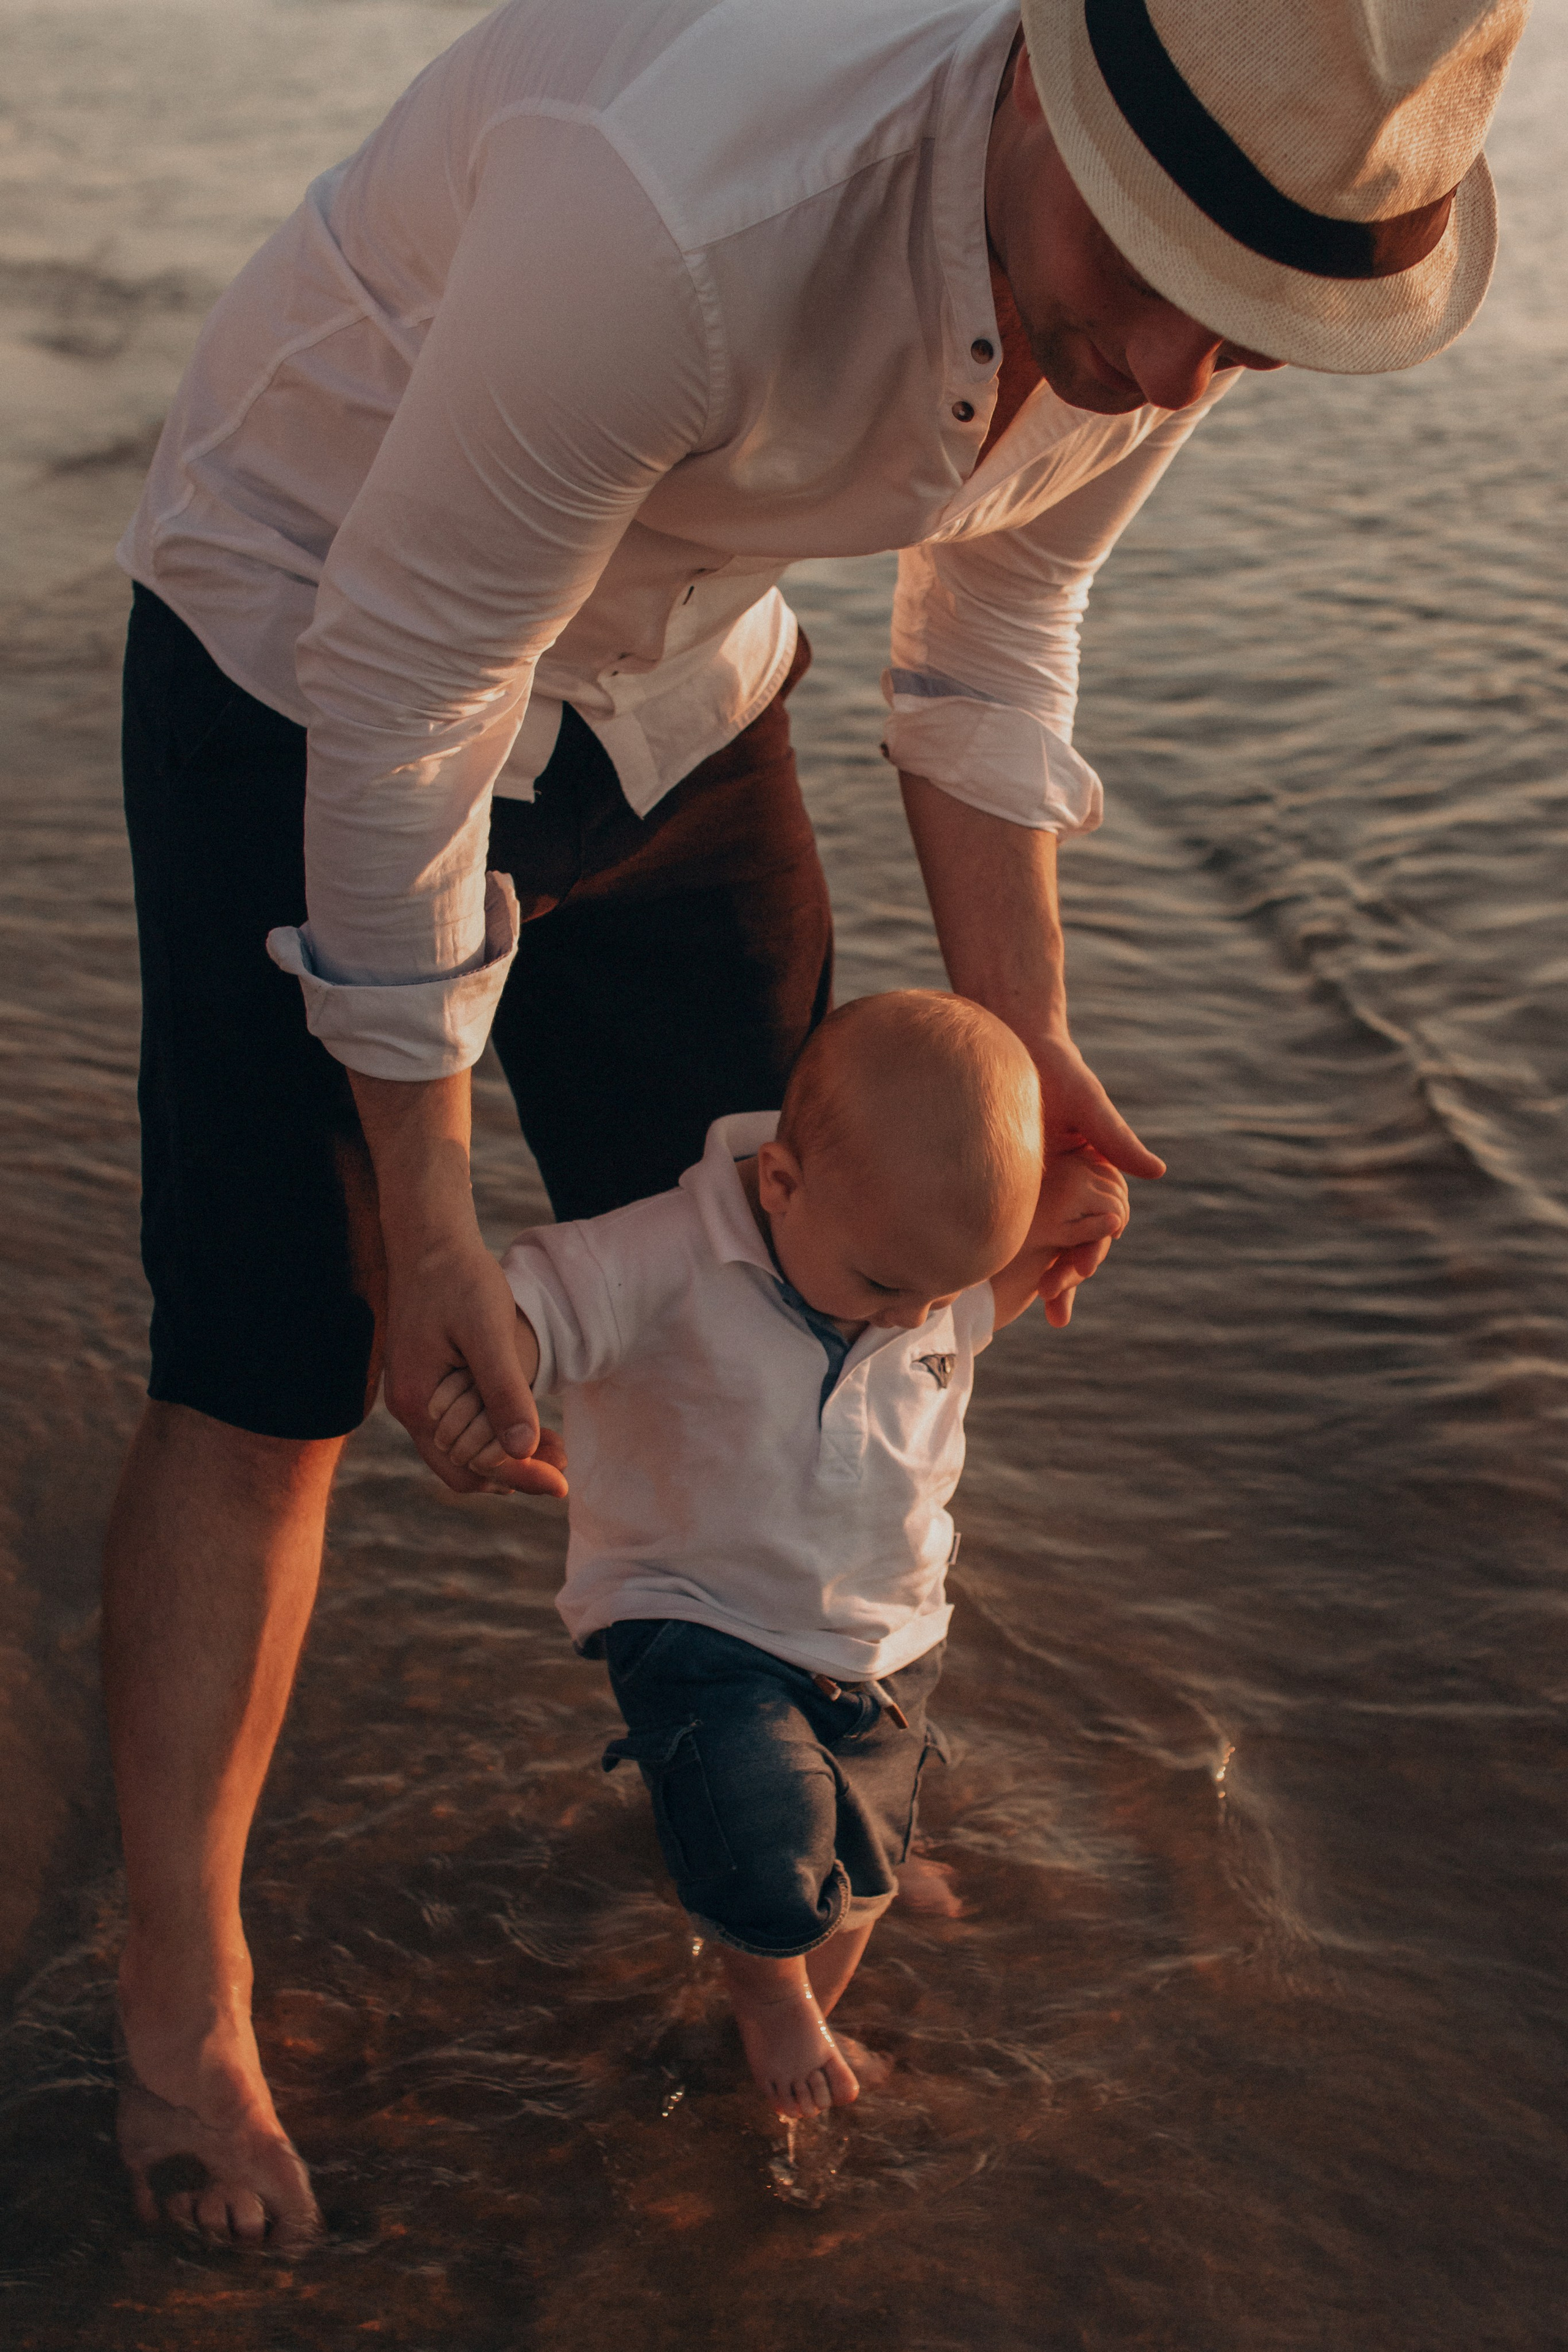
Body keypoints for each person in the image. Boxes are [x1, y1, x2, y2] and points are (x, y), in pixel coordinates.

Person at [105, 0, 1527, 2244]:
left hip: (674, 667)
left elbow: (996, 624)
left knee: (801, 1265)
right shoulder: (678, 211)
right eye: (1167, 286)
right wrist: (429, 1193)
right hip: (315, 625)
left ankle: (751, 1807)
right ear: (1046, 85)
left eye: (1249, 338)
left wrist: (1022, 1037)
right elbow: (408, 692)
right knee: (286, 1358)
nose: (1175, 374)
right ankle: (180, 1979)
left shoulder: (1182, 289)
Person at [426, 992, 1130, 2117]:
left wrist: (1056, 1226)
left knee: (864, 1863)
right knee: (762, 1834)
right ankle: (770, 2000)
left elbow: (954, 1315)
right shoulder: (671, 1248)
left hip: (885, 1634)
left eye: (940, 1294)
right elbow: (545, 1299)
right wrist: (487, 1374)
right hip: (695, 1610)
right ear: (782, 1185)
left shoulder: (901, 1273)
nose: (913, 1324)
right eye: (891, 1292)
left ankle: (824, 1962)